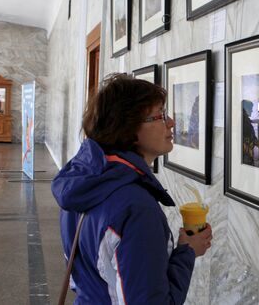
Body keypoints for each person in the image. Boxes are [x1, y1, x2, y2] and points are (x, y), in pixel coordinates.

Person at [52, 74, 212, 304]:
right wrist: (187, 253)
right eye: (161, 115)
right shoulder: (136, 208)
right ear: (129, 128)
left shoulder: (81, 183)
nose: (172, 122)